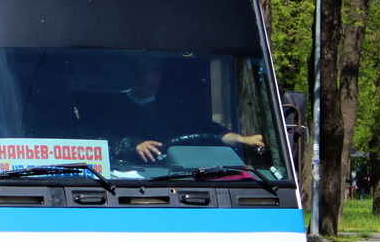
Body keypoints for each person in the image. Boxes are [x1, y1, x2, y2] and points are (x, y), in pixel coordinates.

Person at [106, 57, 265, 164]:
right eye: (140, 86)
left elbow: (213, 131)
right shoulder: (114, 105)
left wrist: (243, 140)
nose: (144, 91)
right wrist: (134, 143)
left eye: (150, 87)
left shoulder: (174, 109)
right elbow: (98, 135)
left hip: (178, 175)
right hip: (127, 174)